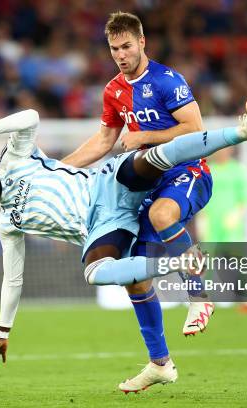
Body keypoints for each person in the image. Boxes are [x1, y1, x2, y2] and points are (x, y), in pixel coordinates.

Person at [0, 98, 247, 392]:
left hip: (106, 185)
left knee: (149, 158)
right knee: (96, 272)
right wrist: (3, 332)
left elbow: (30, 116)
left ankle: (243, 131)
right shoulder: (7, 223)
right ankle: (177, 265)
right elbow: (13, 279)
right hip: (102, 228)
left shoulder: (16, 159)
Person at [60, 14, 212, 377]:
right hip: (152, 184)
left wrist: (143, 137)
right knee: (134, 278)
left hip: (188, 173)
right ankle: (160, 363)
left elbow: (195, 128)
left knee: (162, 216)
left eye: (127, 46)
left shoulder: (166, 80)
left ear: (142, 43)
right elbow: (103, 141)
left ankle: (200, 296)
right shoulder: (113, 90)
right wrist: (58, 170)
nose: (121, 55)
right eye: (114, 49)